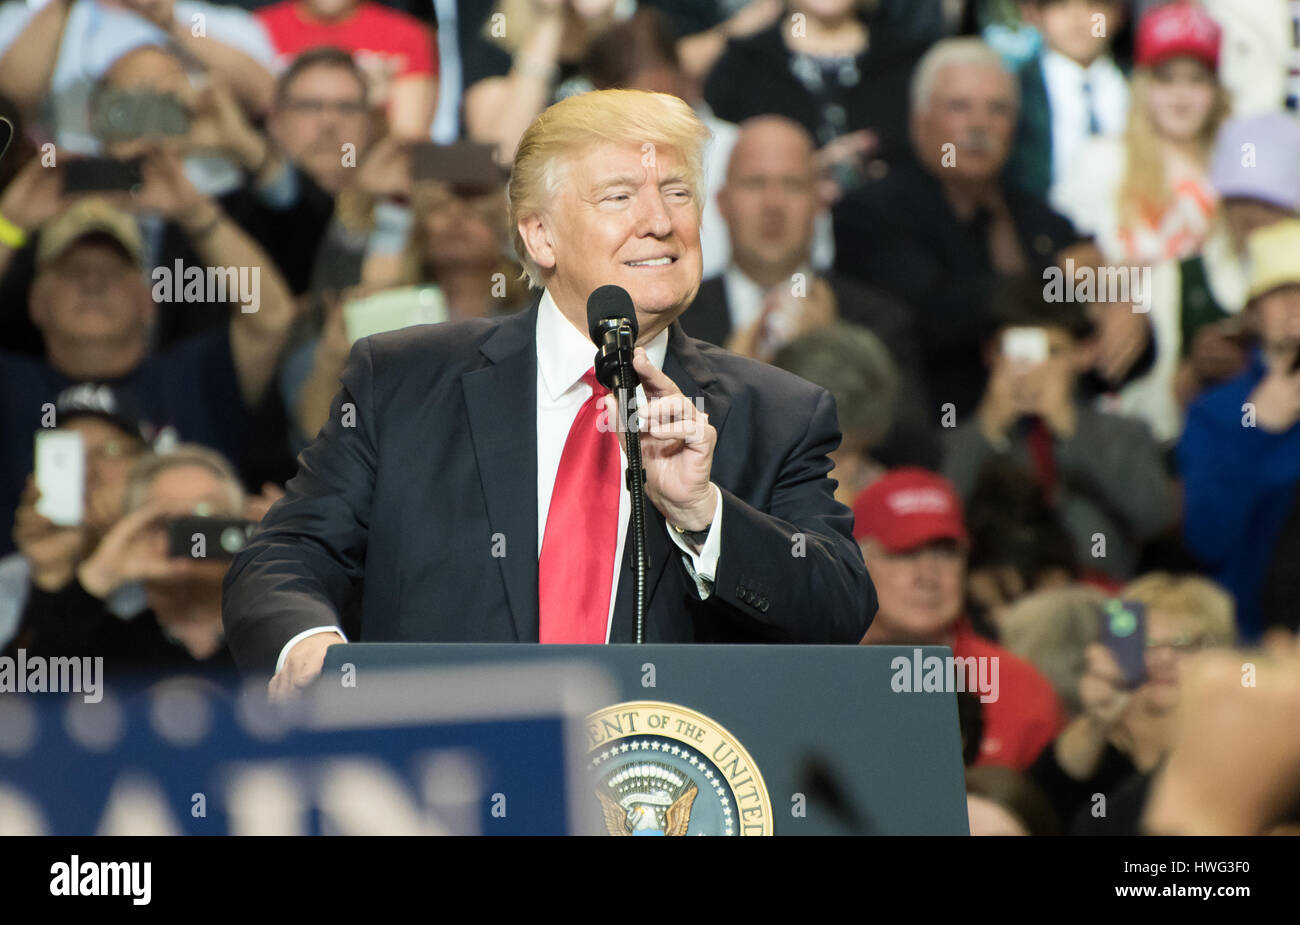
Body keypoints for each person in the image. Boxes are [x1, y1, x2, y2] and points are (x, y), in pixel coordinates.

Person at [222, 89, 877, 697]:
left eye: (678, 192)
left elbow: (839, 610)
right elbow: (285, 555)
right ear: (540, 235)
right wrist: (307, 645)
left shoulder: (780, 414)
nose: (660, 221)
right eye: (620, 197)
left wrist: (706, 515)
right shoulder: (401, 382)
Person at [0, 187, 295, 557]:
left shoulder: (195, 375)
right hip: (27, 598)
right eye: (74, 272)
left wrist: (194, 209)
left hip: (191, 592)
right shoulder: (11, 386)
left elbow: (272, 317)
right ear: (36, 302)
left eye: (113, 271)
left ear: (148, 301)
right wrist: (8, 224)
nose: (93, 283)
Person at [832, 37, 1084, 418]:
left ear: (1014, 126)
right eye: (959, 107)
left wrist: (1119, 307)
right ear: (920, 121)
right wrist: (1056, 279)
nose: (980, 125)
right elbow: (934, 318)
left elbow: (1110, 325)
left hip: (1052, 433)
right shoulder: (868, 214)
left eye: (997, 109)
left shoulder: (1037, 217)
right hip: (932, 433)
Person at [942, 279, 1175, 580]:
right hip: (995, 600)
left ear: (1086, 352)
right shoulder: (961, 441)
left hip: (1103, 595)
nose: (1035, 369)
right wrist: (988, 429)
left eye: (1052, 352)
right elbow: (940, 520)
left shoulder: (1124, 433)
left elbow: (1153, 518)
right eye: (1015, 353)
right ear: (990, 355)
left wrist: (1069, 431)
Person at [853, 468, 1066, 770]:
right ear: (853, 563)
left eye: (946, 553)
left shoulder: (1019, 691)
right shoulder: (808, 675)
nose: (928, 576)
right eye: (905, 554)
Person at [6, 445, 246, 682]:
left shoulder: (273, 636)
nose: (190, 538)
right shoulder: (106, 643)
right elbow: (20, 691)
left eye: (204, 517)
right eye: (165, 520)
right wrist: (99, 575)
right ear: (133, 530)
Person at [1026, 572, 1235, 834]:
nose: (1165, 658)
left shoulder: (1234, 755)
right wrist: (1097, 723)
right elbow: (1040, 808)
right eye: (1148, 644)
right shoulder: (1093, 746)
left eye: (1184, 644)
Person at [1178, 218, 1300, 642]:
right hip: (1248, 644)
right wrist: (1257, 429)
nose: (1295, 306)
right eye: (1280, 292)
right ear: (1253, 313)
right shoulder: (1217, 413)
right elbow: (1208, 539)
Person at [1052, 1, 1229, 264]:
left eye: (1196, 79)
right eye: (1166, 79)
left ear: (1216, 91)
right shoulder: (1101, 160)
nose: (1180, 95)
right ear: (1143, 87)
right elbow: (1065, 259)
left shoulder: (1235, 167)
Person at [702, 0, 929, 192]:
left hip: (889, 229)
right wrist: (803, 175)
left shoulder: (910, 63)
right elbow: (721, 168)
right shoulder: (741, 66)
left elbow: (938, 161)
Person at [256, 0, 437, 139]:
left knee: (346, 154)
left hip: (357, 162)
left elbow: (409, 141)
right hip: (280, 169)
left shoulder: (404, 34)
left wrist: (375, 112)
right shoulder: (255, 30)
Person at [1007, 0, 1129, 203]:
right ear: (1034, 14)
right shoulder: (1015, 89)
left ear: (1118, 14)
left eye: (1093, 5)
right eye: (1061, 5)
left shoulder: (1141, 86)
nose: (1077, 18)